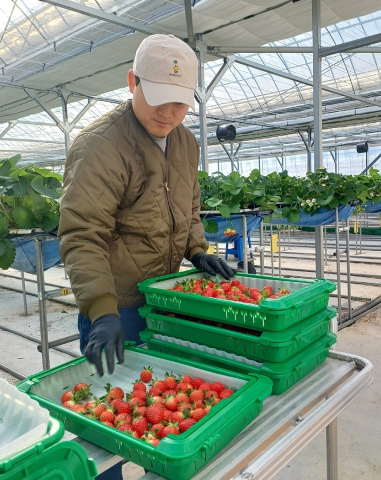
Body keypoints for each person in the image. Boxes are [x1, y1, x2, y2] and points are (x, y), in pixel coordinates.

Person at [58, 33, 234, 480]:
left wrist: (197, 250)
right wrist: (101, 311)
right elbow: (82, 235)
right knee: (109, 422)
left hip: (165, 301)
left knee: (168, 410)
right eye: (158, 99)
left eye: (179, 103)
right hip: (116, 311)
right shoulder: (100, 145)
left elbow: (187, 206)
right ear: (131, 82)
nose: (169, 114)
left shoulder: (186, 143)